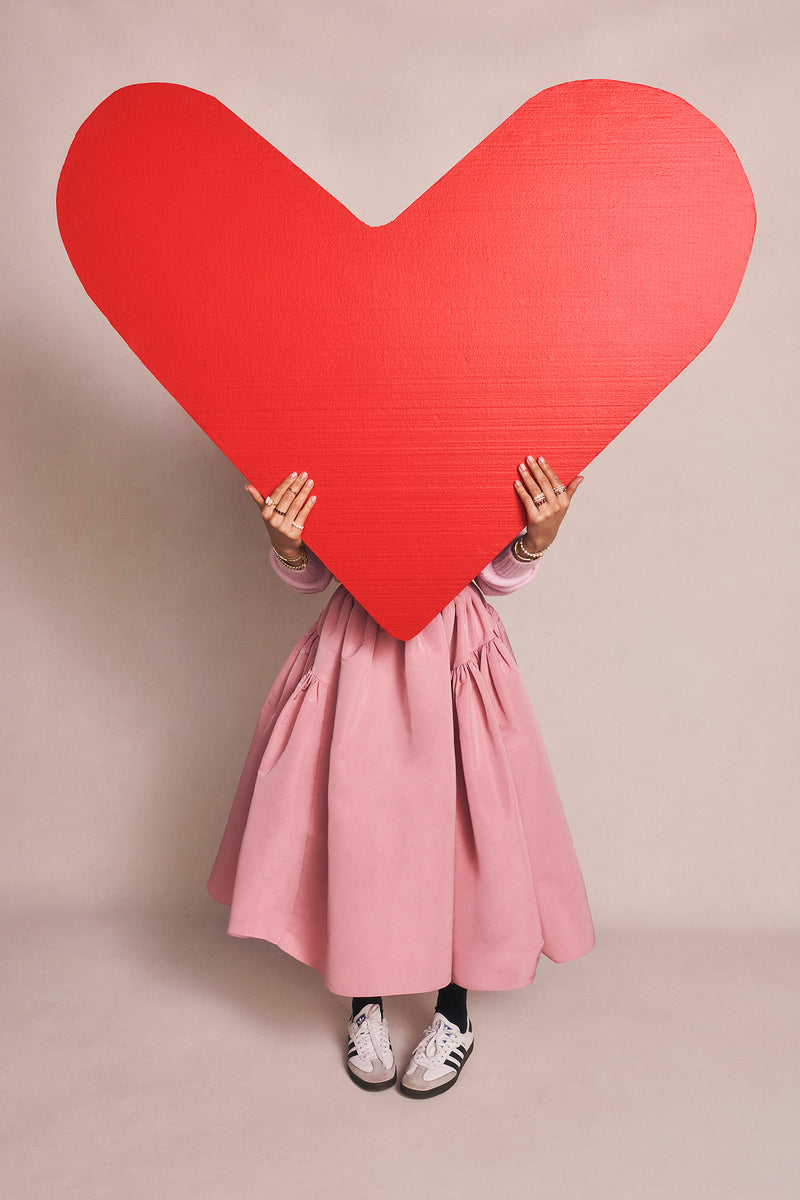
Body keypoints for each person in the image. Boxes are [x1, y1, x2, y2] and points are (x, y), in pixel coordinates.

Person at [207, 454, 595, 1098]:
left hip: (454, 652)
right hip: (359, 650)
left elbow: (490, 576)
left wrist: (532, 543)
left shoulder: (476, 427)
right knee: (358, 822)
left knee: (466, 825)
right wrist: (292, 549)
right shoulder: (338, 424)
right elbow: (319, 575)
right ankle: (365, 1001)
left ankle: (454, 1014)